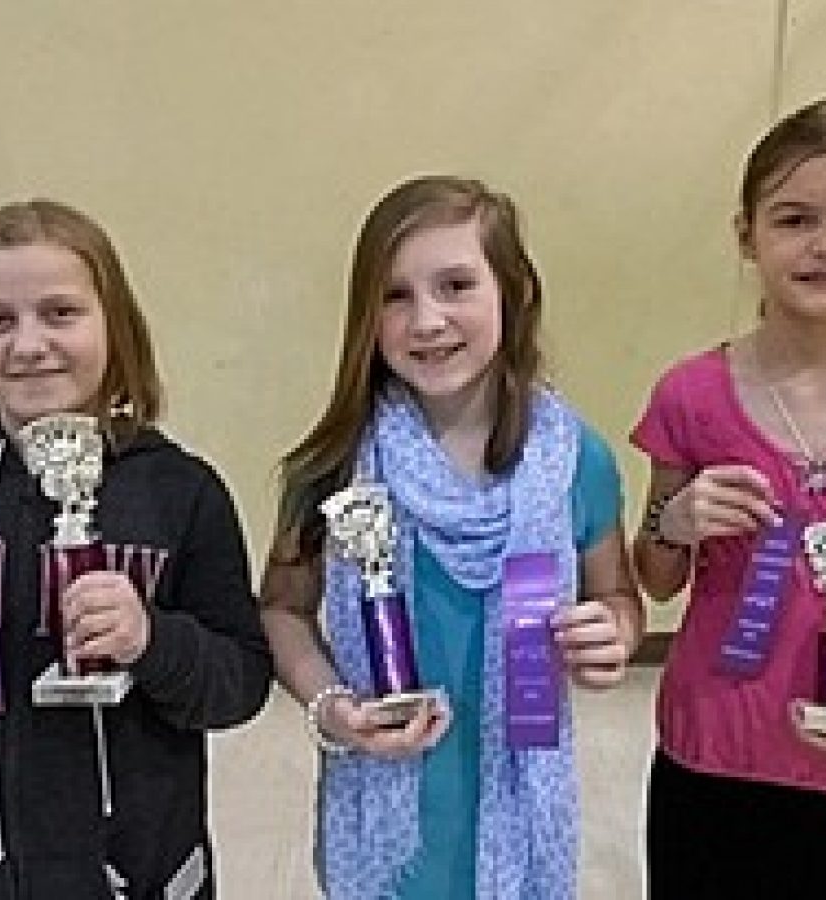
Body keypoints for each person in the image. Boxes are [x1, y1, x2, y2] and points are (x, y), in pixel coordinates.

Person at [261, 175, 642, 899]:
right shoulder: (333, 464)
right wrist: (328, 707)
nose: (427, 320)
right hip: (386, 813)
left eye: (456, 285)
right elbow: (281, 607)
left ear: (514, 295)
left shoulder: (576, 459)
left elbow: (617, 594)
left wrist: (614, 635)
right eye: (395, 295)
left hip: (521, 809)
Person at [0, 199, 272, 898]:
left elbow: (242, 683)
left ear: (114, 325)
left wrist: (151, 639)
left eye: (60, 313)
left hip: (139, 874)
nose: (28, 343)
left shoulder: (180, 491)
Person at [632, 98, 826, 899]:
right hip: (715, 757)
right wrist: (677, 520)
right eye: (796, 219)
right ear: (746, 235)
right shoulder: (692, 395)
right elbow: (654, 573)